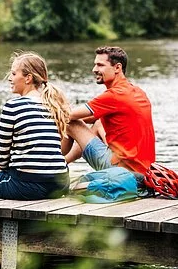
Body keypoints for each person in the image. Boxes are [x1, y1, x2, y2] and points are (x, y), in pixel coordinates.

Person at [0, 52, 71, 200]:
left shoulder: (13, 106)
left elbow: (2, 160)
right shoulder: (54, 105)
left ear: (28, 78)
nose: (9, 78)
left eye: (14, 74)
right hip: (60, 185)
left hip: (27, 187)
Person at [64, 46, 155, 175]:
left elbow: (67, 116)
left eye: (100, 65)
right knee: (98, 122)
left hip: (121, 170)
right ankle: (64, 162)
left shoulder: (113, 95)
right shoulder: (137, 91)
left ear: (117, 68)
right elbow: (89, 118)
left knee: (70, 123)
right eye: (95, 65)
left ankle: (54, 164)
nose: (94, 69)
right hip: (143, 171)